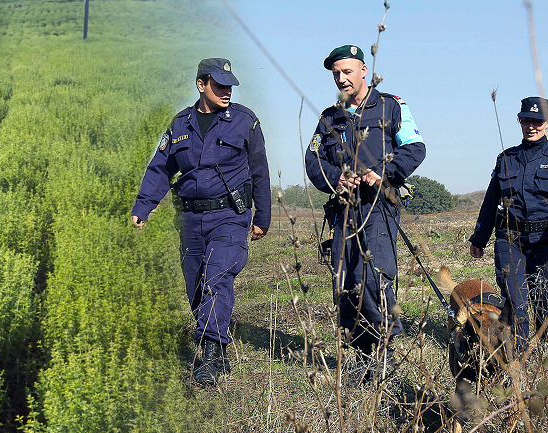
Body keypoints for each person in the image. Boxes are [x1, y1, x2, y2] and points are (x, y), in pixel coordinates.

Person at [131, 58, 271, 386]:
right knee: (195, 286)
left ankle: (209, 352)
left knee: (217, 276)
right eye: (219, 85)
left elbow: (260, 169)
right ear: (201, 85)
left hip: (230, 217)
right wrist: (143, 206)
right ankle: (218, 346)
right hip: (190, 219)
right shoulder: (180, 125)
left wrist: (262, 216)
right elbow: (160, 168)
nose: (226, 91)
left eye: (229, 85)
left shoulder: (244, 121)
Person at [305, 45, 426, 366]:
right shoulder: (329, 117)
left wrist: (381, 173)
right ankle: (360, 358)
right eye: (336, 74)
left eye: (347, 72)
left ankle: (384, 356)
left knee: (373, 277)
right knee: (345, 285)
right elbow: (312, 160)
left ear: (363, 70)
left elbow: (415, 148)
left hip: (379, 208)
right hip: (343, 211)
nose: (342, 79)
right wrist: (336, 179)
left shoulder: (392, 106)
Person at [469, 96, 548, 354]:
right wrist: (479, 238)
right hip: (510, 241)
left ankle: (546, 359)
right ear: (519, 121)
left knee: (545, 305)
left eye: (537, 121)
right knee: (515, 305)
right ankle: (518, 361)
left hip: (547, 243)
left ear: (547, 123)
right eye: (526, 120)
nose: (532, 126)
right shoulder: (506, 158)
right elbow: (490, 201)